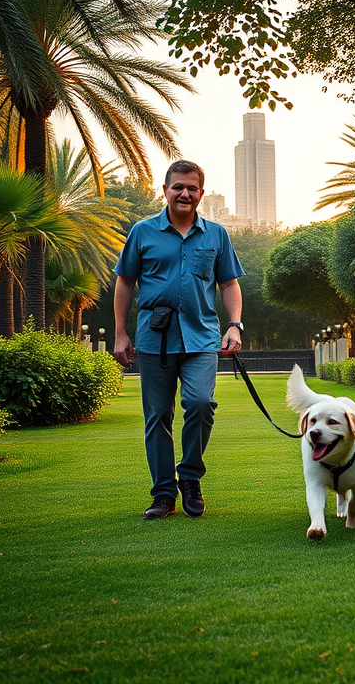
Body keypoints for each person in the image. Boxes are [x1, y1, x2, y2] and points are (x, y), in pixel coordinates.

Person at [113, 160, 245, 520]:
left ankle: (189, 477)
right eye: (178, 187)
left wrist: (234, 324)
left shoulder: (217, 235)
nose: (185, 193)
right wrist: (121, 333)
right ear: (165, 190)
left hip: (202, 335)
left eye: (192, 188)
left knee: (201, 403)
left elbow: (229, 283)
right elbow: (124, 282)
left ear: (201, 193)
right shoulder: (142, 231)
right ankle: (162, 493)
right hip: (154, 338)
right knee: (157, 416)